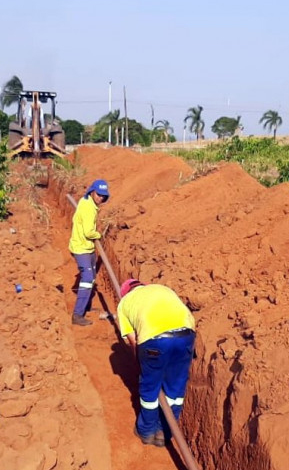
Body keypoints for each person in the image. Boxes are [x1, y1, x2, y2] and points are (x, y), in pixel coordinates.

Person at [117, 279, 196, 447]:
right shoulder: (163, 288)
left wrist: (141, 363)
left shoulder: (124, 303)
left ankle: (146, 431)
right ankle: (164, 433)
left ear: (125, 293)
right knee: (175, 388)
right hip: (186, 335)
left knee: (150, 387)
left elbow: (132, 340)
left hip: (155, 340)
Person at [68, 179, 110, 326]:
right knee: (87, 280)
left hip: (88, 247)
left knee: (91, 277)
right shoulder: (88, 208)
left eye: (103, 196)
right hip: (82, 248)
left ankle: (85, 305)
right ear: (92, 191)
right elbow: (88, 232)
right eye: (98, 194)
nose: (101, 198)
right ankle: (77, 315)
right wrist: (98, 235)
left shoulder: (87, 202)